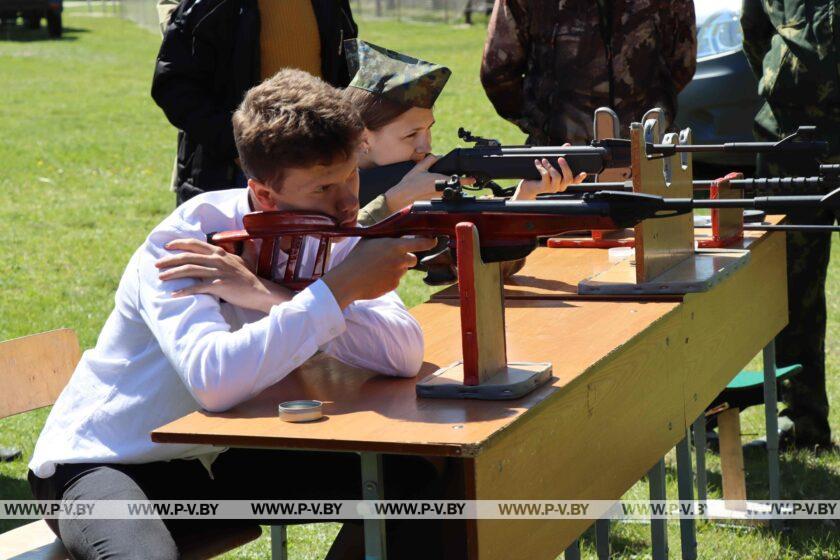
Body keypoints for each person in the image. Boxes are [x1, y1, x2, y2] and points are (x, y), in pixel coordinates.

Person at [28, 69, 445, 559]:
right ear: (265, 194)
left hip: (216, 461)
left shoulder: (333, 224)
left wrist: (269, 295)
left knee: (415, 484)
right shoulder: (189, 239)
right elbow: (215, 381)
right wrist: (336, 291)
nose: (349, 200)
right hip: (107, 461)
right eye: (323, 188)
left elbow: (402, 353)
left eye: (351, 173)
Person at [342, 39, 585, 226]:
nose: (425, 147)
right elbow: (329, 262)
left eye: (428, 130)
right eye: (410, 135)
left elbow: (476, 257)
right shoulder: (316, 193)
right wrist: (392, 203)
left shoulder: (416, 183)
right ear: (364, 139)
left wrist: (526, 196)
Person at [742, 0, 839, 450]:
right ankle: (802, 422)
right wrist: (782, 80)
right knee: (790, 283)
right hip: (791, 136)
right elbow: (755, 27)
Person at [152, 0, 358, 205]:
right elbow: (175, 85)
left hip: (323, 173)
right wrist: (240, 146)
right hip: (235, 174)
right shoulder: (208, 6)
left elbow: (346, 71)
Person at [479, 0, 697, 146]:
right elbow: (498, 73)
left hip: (561, 162)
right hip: (565, 162)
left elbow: (497, 72)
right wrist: (542, 123)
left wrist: (543, 123)